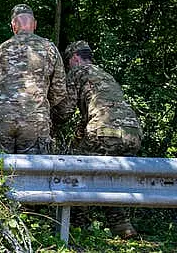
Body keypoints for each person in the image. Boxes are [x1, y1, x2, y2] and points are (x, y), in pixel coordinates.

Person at [63, 40, 143, 239]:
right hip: (133, 133)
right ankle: (123, 227)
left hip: (106, 130)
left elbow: (66, 110)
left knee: (77, 169)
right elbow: (94, 113)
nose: (69, 66)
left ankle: (77, 226)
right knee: (112, 178)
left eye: (69, 62)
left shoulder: (77, 72)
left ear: (75, 58)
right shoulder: (104, 74)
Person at [0, 4, 72, 154]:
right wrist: (39, 103)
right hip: (35, 120)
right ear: (35, 24)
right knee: (36, 172)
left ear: (13, 25)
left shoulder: (1, 49)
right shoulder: (49, 49)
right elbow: (59, 90)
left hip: (3, 119)